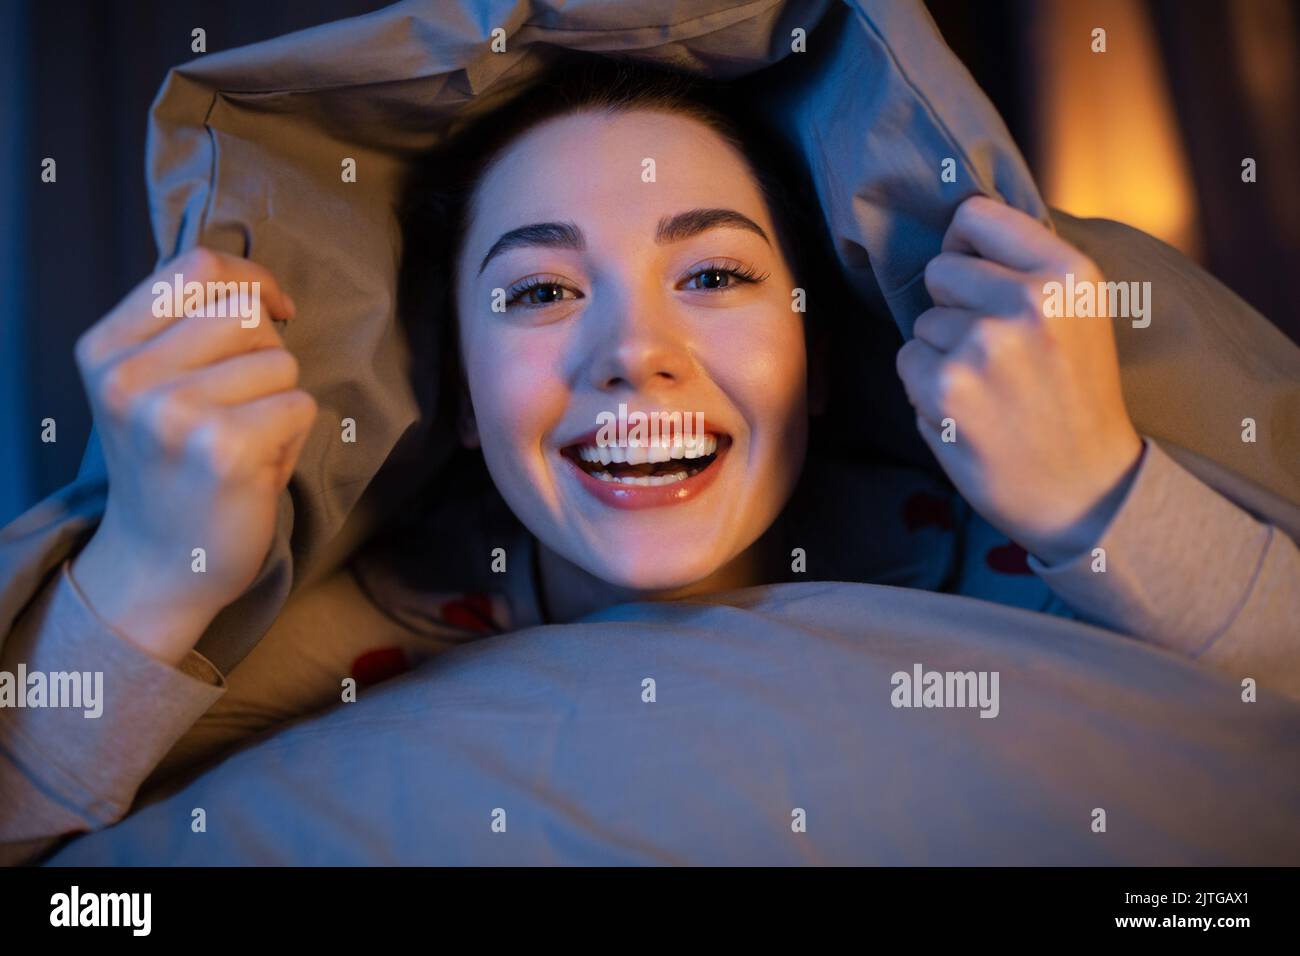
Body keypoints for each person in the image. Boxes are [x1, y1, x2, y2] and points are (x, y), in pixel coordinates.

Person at [1, 54, 1296, 864]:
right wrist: (149, 571)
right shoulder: (352, 637)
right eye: (539, 292)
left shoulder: (1010, 565)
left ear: (819, 353)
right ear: (458, 396)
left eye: (717, 273)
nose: (635, 355)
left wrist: (1099, 496)